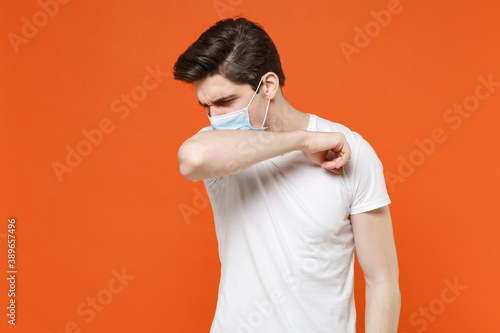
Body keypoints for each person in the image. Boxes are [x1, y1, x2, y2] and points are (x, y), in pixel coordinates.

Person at [174, 17, 400, 333]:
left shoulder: (352, 152)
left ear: (268, 85)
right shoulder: (219, 147)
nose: (215, 118)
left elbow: (382, 280)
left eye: (225, 102)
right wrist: (303, 141)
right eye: (206, 107)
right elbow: (192, 159)